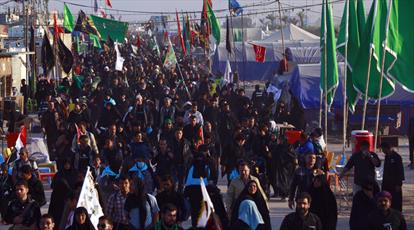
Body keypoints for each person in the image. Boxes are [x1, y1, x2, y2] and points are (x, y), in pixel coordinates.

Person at [49, 158, 79, 228]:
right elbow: (53, 185)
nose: (67, 165)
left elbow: (75, 185)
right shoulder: (59, 174)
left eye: (68, 164)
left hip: (69, 199)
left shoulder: (74, 173)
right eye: (65, 164)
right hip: (58, 199)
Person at [380, 142, 405, 211]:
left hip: (395, 184)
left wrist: (398, 184)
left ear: (386, 148)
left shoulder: (397, 157)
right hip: (387, 183)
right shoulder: (387, 157)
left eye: (383, 149)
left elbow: (400, 171)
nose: (383, 151)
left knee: (396, 202)